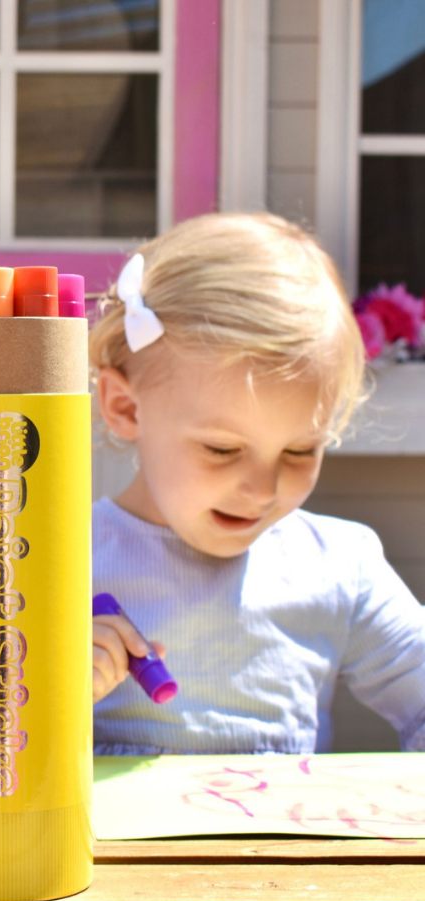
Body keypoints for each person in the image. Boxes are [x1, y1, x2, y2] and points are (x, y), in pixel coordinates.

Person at [90, 211, 425, 755]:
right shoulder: (55, 569)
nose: (263, 490)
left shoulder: (340, 566)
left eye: (300, 450)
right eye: (222, 449)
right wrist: (45, 697)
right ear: (126, 408)